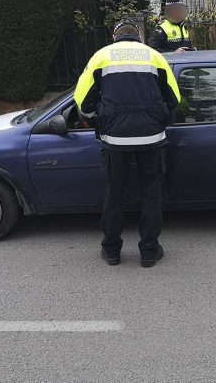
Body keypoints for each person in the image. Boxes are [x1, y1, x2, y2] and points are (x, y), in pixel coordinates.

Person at [74, 19, 181, 267]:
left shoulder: (101, 57)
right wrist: (159, 118)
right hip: (152, 139)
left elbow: (82, 101)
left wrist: (97, 120)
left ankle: (111, 251)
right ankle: (149, 253)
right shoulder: (154, 57)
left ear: (114, 36)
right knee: (151, 196)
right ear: (139, 37)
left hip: (115, 140)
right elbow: (174, 98)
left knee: (114, 195)